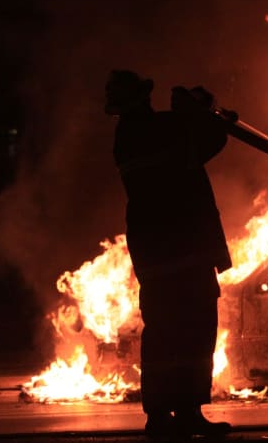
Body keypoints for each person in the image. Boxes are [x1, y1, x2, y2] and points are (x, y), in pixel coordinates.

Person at [104, 70, 232, 438]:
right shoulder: (147, 134)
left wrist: (197, 115)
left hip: (163, 250)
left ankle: (179, 412)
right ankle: (169, 414)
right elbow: (201, 145)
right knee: (181, 334)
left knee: (177, 334)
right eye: (142, 98)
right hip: (180, 247)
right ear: (138, 100)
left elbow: (192, 139)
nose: (147, 102)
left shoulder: (140, 132)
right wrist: (203, 114)